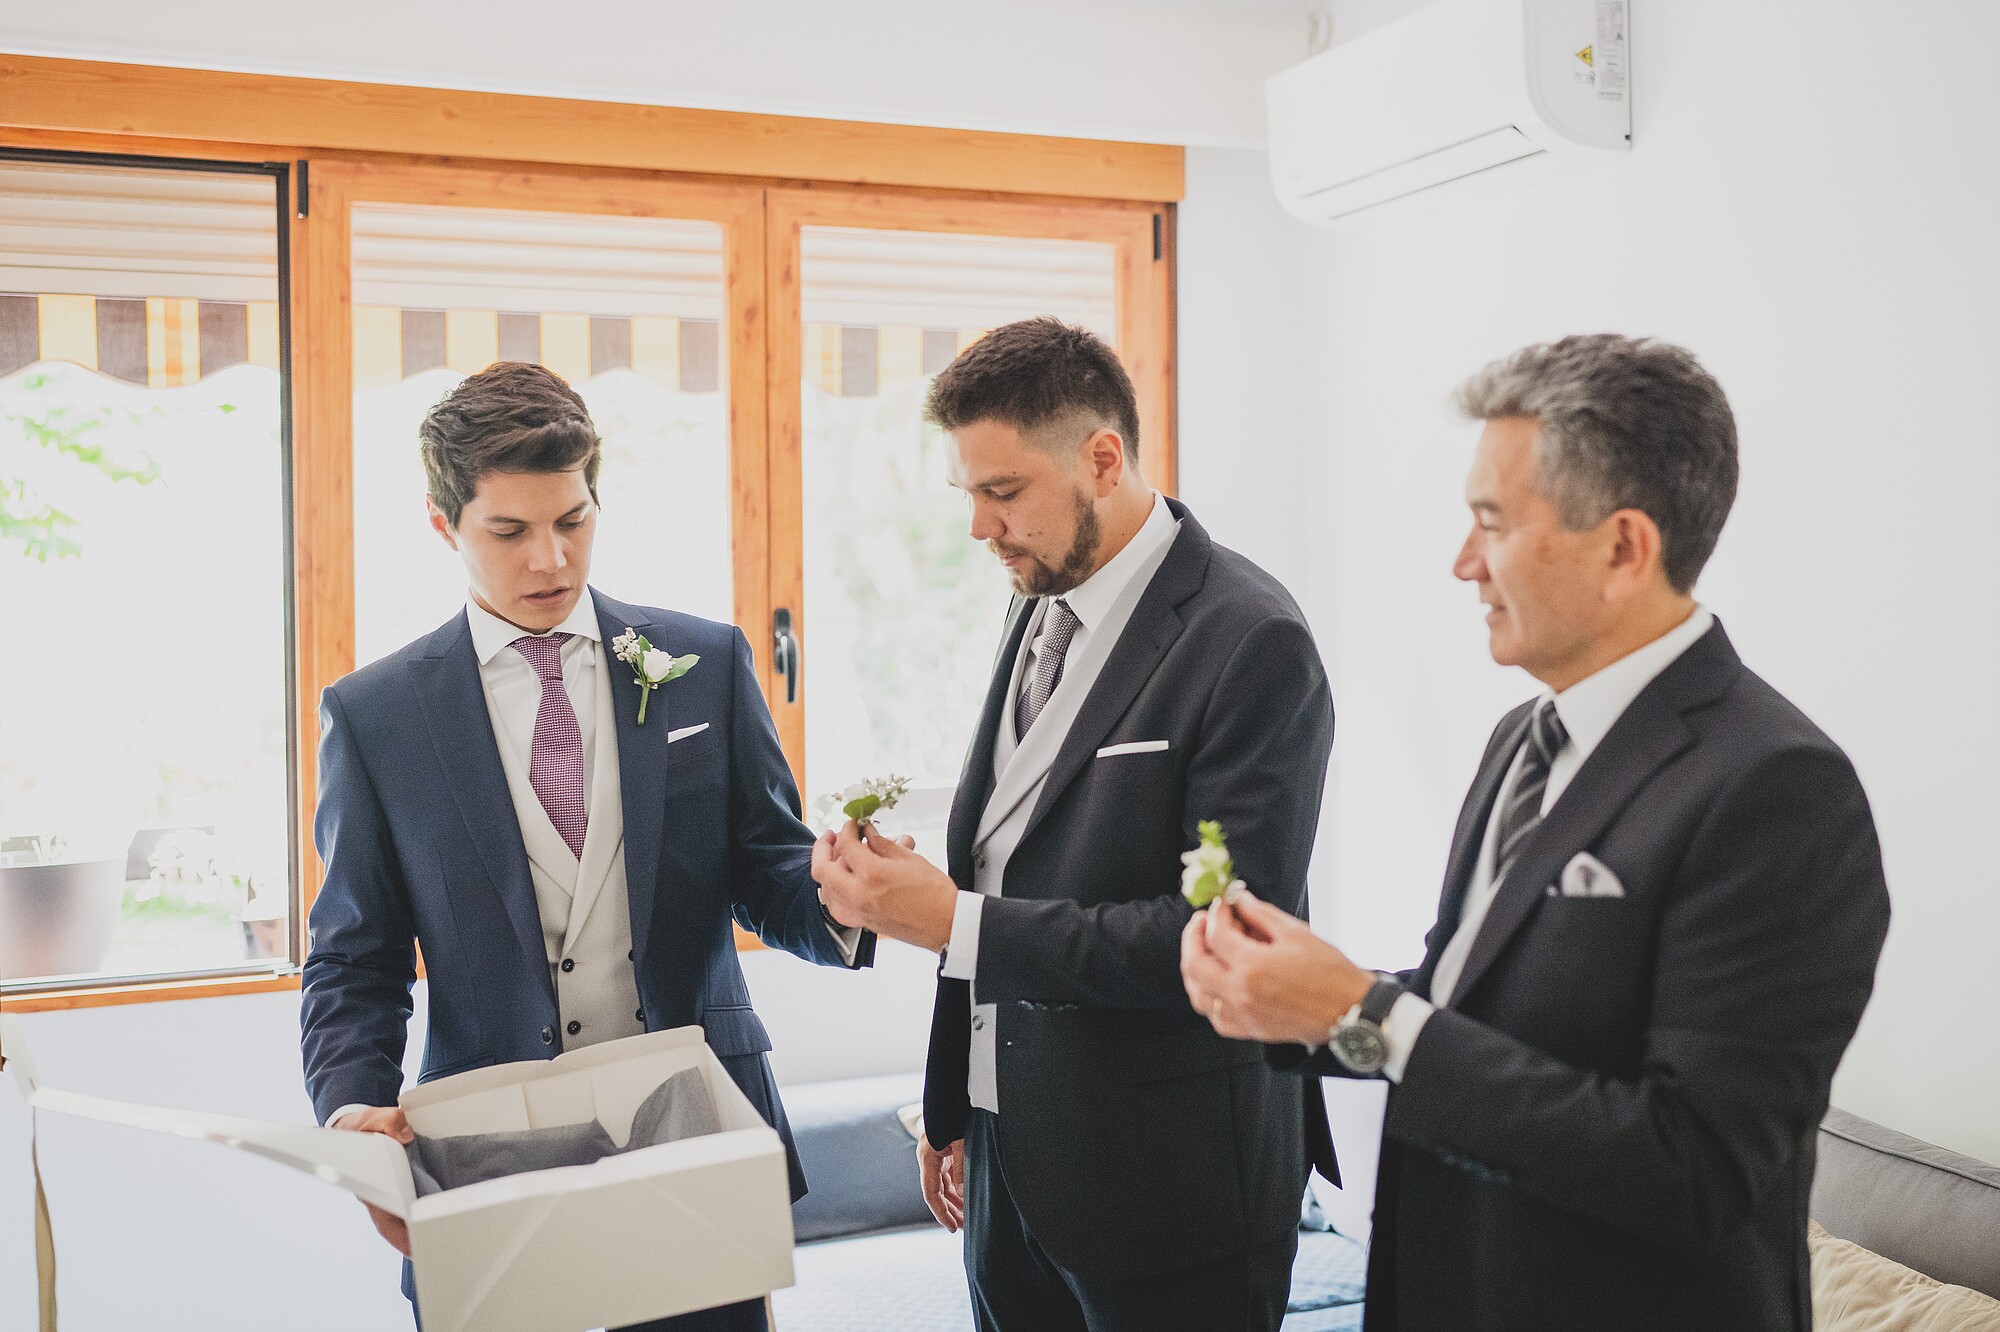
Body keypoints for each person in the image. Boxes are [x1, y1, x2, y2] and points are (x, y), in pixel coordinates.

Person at [1182, 334, 1892, 1331]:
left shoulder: (1775, 789)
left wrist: (1368, 1015)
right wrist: (1302, 1002)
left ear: (1622, 549)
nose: (1460, 563)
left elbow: (1693, 1170)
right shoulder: (1518, 738)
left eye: (1490, 523)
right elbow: (1467, 1007)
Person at [300, 361, 873, 1332]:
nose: (549, 562)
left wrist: (844, 898)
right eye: (509, 532)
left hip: (698, 1143)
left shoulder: (704, 665)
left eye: (572, 521)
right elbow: (354, 957)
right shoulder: (377, 719)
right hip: (485, 1165)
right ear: (444, 525)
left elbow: (768, 875)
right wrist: (353, 1108)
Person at [812, 317, 1339, 1331]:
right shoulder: (1037, 596)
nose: (978, 528)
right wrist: (954, 1106)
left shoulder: (1250, 641)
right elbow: (1015, 856)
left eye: (1001, 493)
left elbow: (1224, 943)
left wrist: (948, 923)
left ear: (1102, 459)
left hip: (1172, 1191)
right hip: (1010, 1175)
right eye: (967, 493)